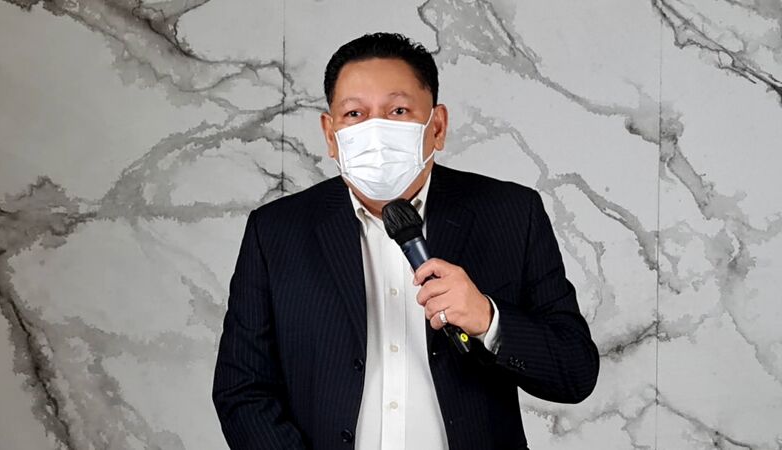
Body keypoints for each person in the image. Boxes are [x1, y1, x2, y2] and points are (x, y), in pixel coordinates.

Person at [212, 32, 599, 450]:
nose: (375, 130)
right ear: (330, 134)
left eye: (398, 110)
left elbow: (575, 372)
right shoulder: (276, 231)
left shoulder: (511, 213)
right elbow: (242, 388)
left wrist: (489, 319)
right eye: (355, 114)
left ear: (438, 126)